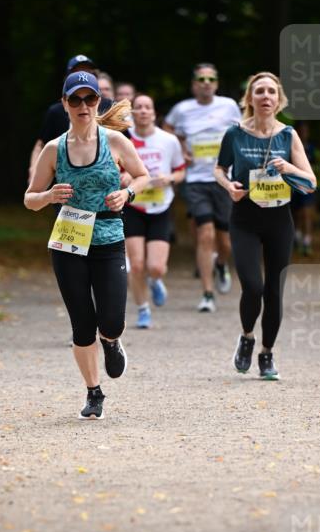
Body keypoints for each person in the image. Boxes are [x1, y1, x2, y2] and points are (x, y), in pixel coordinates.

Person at [24, 71, 149, 421]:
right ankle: (94, 392)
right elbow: (29, 199)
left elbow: (142, 175)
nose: (83, 106)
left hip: (109, 239)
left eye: (90, 99)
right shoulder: (54, 149)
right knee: (81, 324)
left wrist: (127, 193)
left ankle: (111, 341)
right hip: (68, 241)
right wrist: (49, 195)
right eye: (75, 99)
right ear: (64, 104)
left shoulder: (115, 141)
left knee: (111, 321)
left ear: (98, 103)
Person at [214, 71, 316, 380]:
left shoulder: (288, 135)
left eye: (272, 92)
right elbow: (219, 168)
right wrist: (228, 187)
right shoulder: (235, 133)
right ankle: (247, 337)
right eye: (259, 91)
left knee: (274, 291)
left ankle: (267, 354)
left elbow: (311, 182)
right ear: (249, 99)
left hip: (278, 219)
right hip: (244, 217)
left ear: (279, 99)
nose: (266, 97)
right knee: (253, 286)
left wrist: (289, 168)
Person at [164, 63, 239, 312]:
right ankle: (207, 293)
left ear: (216, 83)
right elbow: (167, 130)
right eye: (201, 79)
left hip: (224, 179)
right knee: (204, 234)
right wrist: (181, 149)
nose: (206, 82)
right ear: (194, 84)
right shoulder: (182, 109)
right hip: (196, 180)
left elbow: (242, 131)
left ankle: (221, 264)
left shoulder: (228, 105)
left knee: (225, 241)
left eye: (211, 78)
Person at [122, 94, 186, 328]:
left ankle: (156, 280)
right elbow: (114, 172)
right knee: (136, 265)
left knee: (156, 267)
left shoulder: (168, 141)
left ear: (154, 112)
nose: (142, 111)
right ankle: (143, 309)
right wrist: (125, 177)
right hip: (133, 206)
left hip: (160, 207)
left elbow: (181, 171)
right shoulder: (122, 140)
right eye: (138, 107)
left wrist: (168, 178)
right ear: (132, 113)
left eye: (147, 107)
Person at [28, 55, 113, 178]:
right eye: (77, 71)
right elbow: (41, 144)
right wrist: (34, 169)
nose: (83, 75)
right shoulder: (55, 112)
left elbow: (127, 142)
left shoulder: (108, 106)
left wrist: (127, 177)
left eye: (88, 71)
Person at [291, 122, 316, 255]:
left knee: (307, 213)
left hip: (306, 186)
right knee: (295, 214)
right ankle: (297, 236)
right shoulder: (290, 147)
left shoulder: (311, 148)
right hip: (294, 186)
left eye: (306, 131)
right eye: (301, 131)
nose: (304, 134)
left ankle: (307, 240)